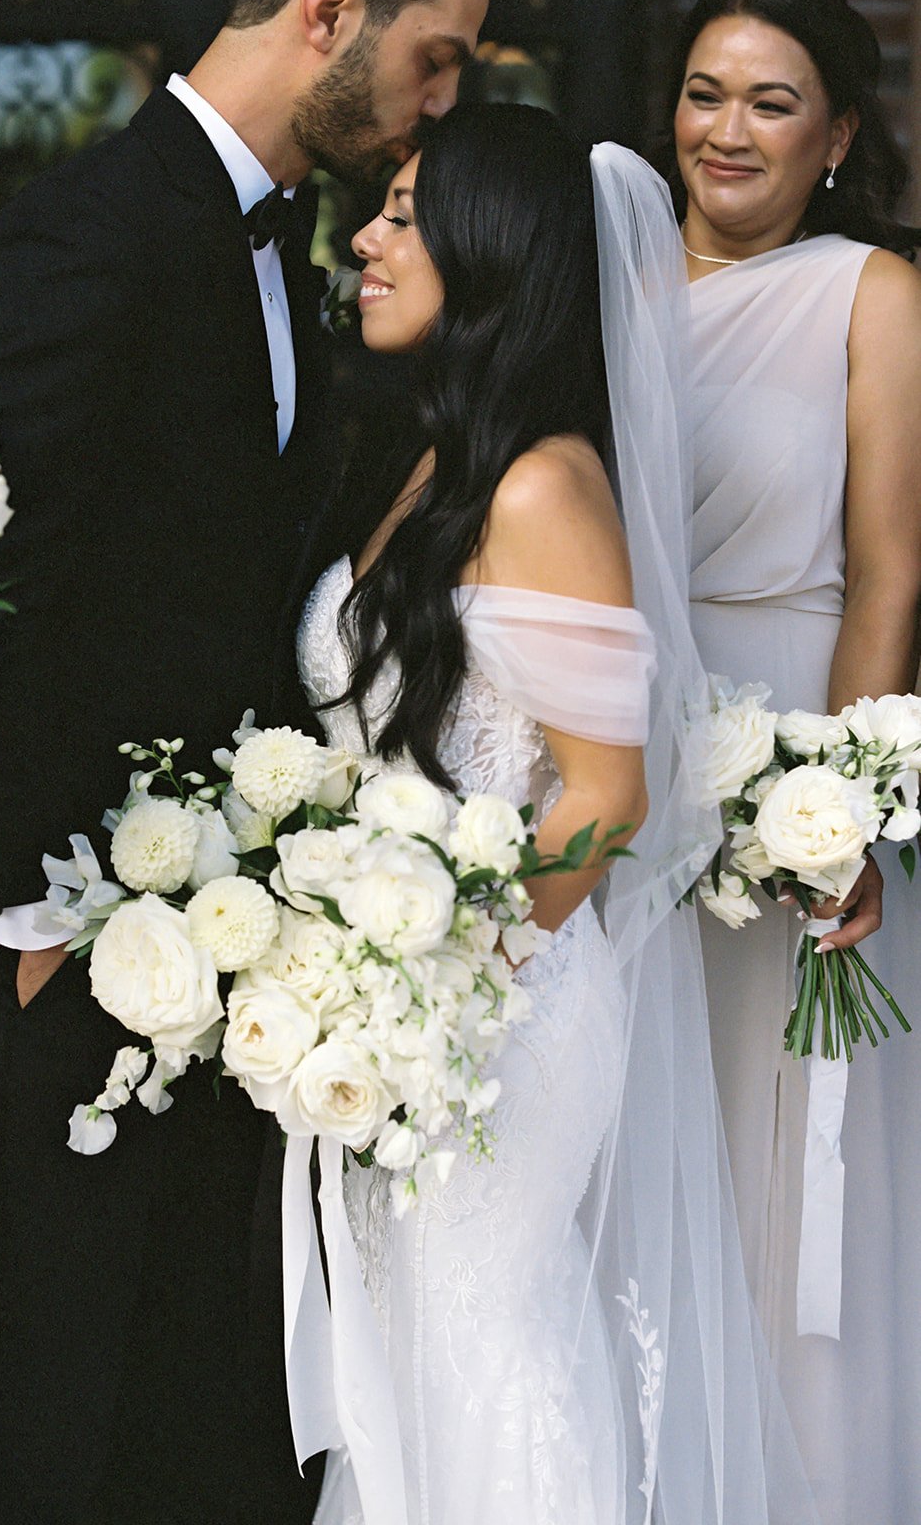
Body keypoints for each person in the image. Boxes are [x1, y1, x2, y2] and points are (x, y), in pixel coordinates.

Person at [0, 0, 530, 1522]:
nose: (436, 110)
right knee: (61, 1392)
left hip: (236, 960)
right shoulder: (84, 235)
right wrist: (24, 908)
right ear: (330, 6)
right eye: (431, 61)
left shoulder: (300, 246)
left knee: (204, 1404)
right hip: (65, 939)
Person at [297, 101, 816, 1525]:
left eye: (407, 213)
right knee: (408, 1349)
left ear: (496, 250)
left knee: (489, 1339)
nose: (371, 240)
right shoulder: (425, 465)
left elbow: (604, 792)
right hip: (411, 1001)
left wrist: (436, 993)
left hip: (503, 1009)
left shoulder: (544, 487)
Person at [664, 0, 921, 1525]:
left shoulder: (872, 292)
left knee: (787, 1142)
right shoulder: (611, 271)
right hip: (619, 759)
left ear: (834, 136)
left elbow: (893, 564)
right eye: (705, 93)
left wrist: (840, 803)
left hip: (790, 743)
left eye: (771, 103)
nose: (729, 130)